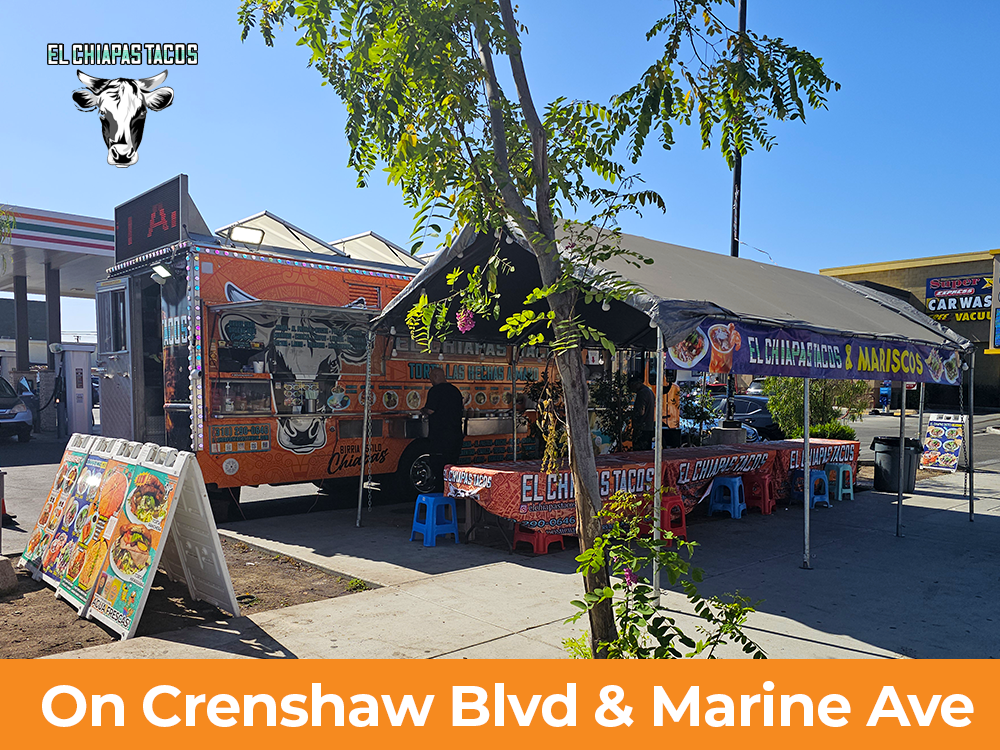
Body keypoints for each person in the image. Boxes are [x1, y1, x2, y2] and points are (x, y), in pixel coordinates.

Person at [422, 367, 465, 488]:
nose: (430, 380)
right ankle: (451, 492)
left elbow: (430, 410)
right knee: (451, 467)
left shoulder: (435, 391)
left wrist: (423, 410)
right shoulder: (455, 390)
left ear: (436, 376)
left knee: (439, 469)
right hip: (455, 436)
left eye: (430, 377)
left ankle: (441, 494)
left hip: (440, 437)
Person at [628, 374, 655, 451]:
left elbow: (640, 411)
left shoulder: (642, 393)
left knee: (639, 450)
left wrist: (630, 414)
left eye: (631, 386)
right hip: (648, 427)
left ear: (636, 384)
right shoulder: (650, 392)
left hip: (642, 428)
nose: (631, 390)